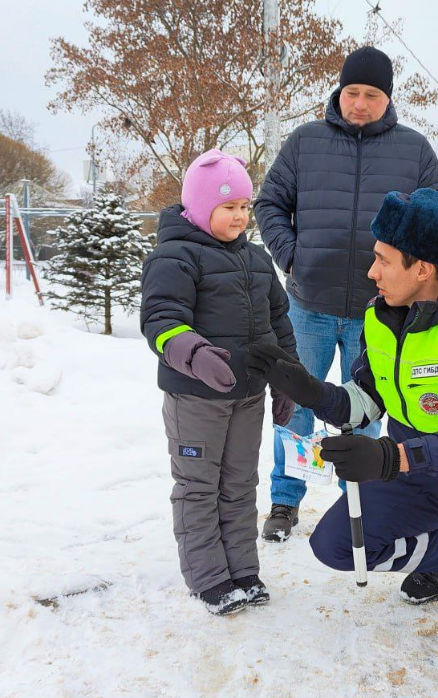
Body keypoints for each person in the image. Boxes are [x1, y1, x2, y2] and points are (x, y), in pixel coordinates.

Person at [246, 188, 438, 698]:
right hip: (423, 465)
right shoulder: (383, 315)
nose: (372, 272)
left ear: (423, 269)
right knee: (338, 546)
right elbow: (367, 399)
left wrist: (392, 457)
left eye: (383, 260)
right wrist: (310, 389)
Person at [255, 46, 438, 541]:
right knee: (295, 406)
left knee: (366, 409)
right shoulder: (304, 142)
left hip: (379, 313)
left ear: (388, 98)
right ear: (340, 91)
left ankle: (357, 504)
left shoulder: (415, 150)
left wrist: (418, 281)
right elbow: (269, 201)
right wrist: (292, 255)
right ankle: (284, 500)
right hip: (309, 306)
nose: (360, 104)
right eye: (352, 92)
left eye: (372, 95)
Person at [140, 149, 298, 615]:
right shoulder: (174, 257)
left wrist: (286, 378)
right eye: (229, 207)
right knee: (198, 486)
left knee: (240, 483)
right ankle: (209, 576)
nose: (240, 216)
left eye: (245, 207)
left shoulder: (255, 258)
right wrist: (194, 353)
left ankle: (243, 570)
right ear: (199, 205)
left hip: (246, 396)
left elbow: (278, 321)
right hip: (196, 399)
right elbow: (161, 319)